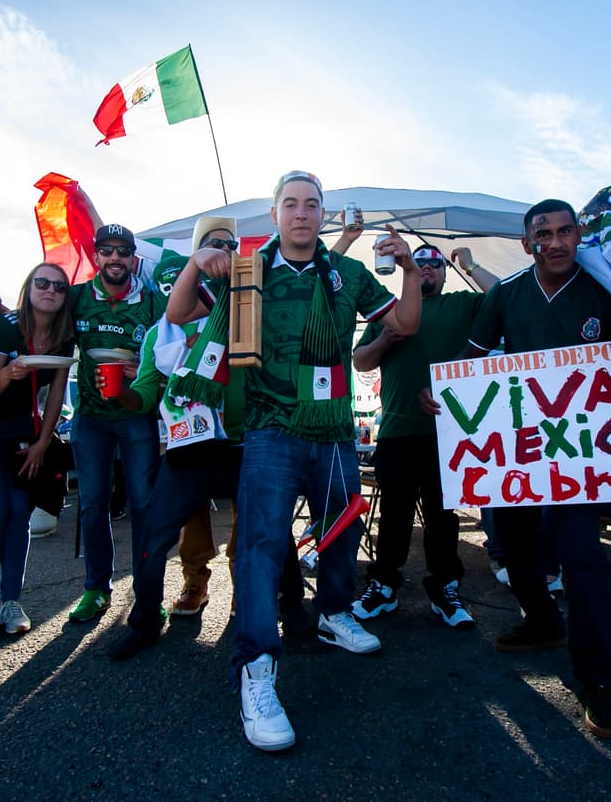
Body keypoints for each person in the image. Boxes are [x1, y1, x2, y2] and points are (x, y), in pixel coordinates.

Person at [167, 170, 421, 751]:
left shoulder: (348, 273)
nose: (302, 213)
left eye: (311, 204)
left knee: (340, 529)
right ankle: (256, 668)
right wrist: (197, 261)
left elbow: (405, 324)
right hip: (271, 432)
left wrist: (409, 268)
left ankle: (333, 612)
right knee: (262, 546)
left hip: (333, 430)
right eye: (291, 204)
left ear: (323, 215)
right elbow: (179, 314)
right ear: (275, 215)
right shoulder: (246, 271)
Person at [451, 199, 611, 740]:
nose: (555, 242)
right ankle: (543, 620)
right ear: (527, 244)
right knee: (513, 543)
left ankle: (599, 677)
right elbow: (472, 361)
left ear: (579, 234)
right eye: (542, 234)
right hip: (521, 449)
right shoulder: (505, 293)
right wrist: (447, 398)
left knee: (580, 552)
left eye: (565, 231)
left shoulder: (608, 289)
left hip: (581, 453)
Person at [107, 217, 306, 660]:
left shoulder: (246, 313)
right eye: (212, 245)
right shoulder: (162, 332)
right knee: (153, 537)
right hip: (190, 450)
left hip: (245, 446)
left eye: (230, 246)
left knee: (275, 530)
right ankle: (144, 621)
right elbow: (145, 393)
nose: (222, 252)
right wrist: (119, 395)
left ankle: (294, 613)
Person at [350, 244, 498, 628]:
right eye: (420, 262)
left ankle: (445, 587)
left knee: (442, 517)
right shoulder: (391, 310)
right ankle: (384, 586)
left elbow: (504, 297)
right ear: (407, 268)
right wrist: (383, 341)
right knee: (393, 517)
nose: (428, 268)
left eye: (436, 262)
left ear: (445, 272)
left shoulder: (461, 304)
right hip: (397, 431)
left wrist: (470, 264)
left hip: (450, 431)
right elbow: (359, 361)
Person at [0, 263, 73, 640]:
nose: (50, 290)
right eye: (42, 283)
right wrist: (8, 373)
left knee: (18, 516)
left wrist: (43, 443)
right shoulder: (5, 327)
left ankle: (11, 601)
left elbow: (57, 394)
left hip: (24, 435)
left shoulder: (64, 336)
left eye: (59, 287)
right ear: (29, 288)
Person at [65, 224, 164, 623]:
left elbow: (169, 349)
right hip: (90, 416)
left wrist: (144, 368)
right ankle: (96, 589)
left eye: (123, 251)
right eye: (107, 250)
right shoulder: (76, 297)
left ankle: (148, 593)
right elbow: (40, 321)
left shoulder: (152, 301)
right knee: (93, 504)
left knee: (144, 505)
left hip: (136, 414)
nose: (115, 258)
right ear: (96, 256)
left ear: (133, 258)